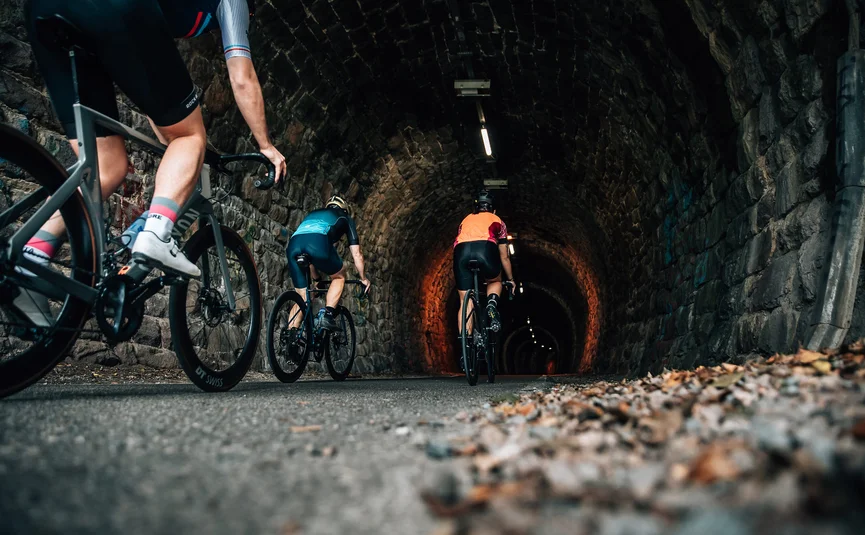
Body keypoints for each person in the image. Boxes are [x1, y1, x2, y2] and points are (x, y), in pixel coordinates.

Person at [15, 0, 286, 326]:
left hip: (44, 11)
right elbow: (242, 77)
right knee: (190, 137)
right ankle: (157, 232)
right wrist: (265, 145)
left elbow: (150, 89)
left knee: (104, 166)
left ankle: (31, 257)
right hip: (114, 8)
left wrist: (174, 140)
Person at [286, 195, 371, 331]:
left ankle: (290, 335)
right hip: (317, 242)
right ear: (344, 209)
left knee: (303, 298)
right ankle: (327, 315)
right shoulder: (345, 218)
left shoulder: (313, 214)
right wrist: (363, 278)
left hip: (293, 245)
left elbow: (310, 257)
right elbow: (357, 254)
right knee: (339, 276)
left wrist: (317, 279)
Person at [453, 190, 515, 337]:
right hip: (485, 250)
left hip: (461, 253)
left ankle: (465, 344)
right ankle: (491, 304)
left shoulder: (465, 220)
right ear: (494, 209)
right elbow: (504, 256)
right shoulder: (497, 220)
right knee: (495, 281)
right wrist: (511, 280)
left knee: (465, 299)